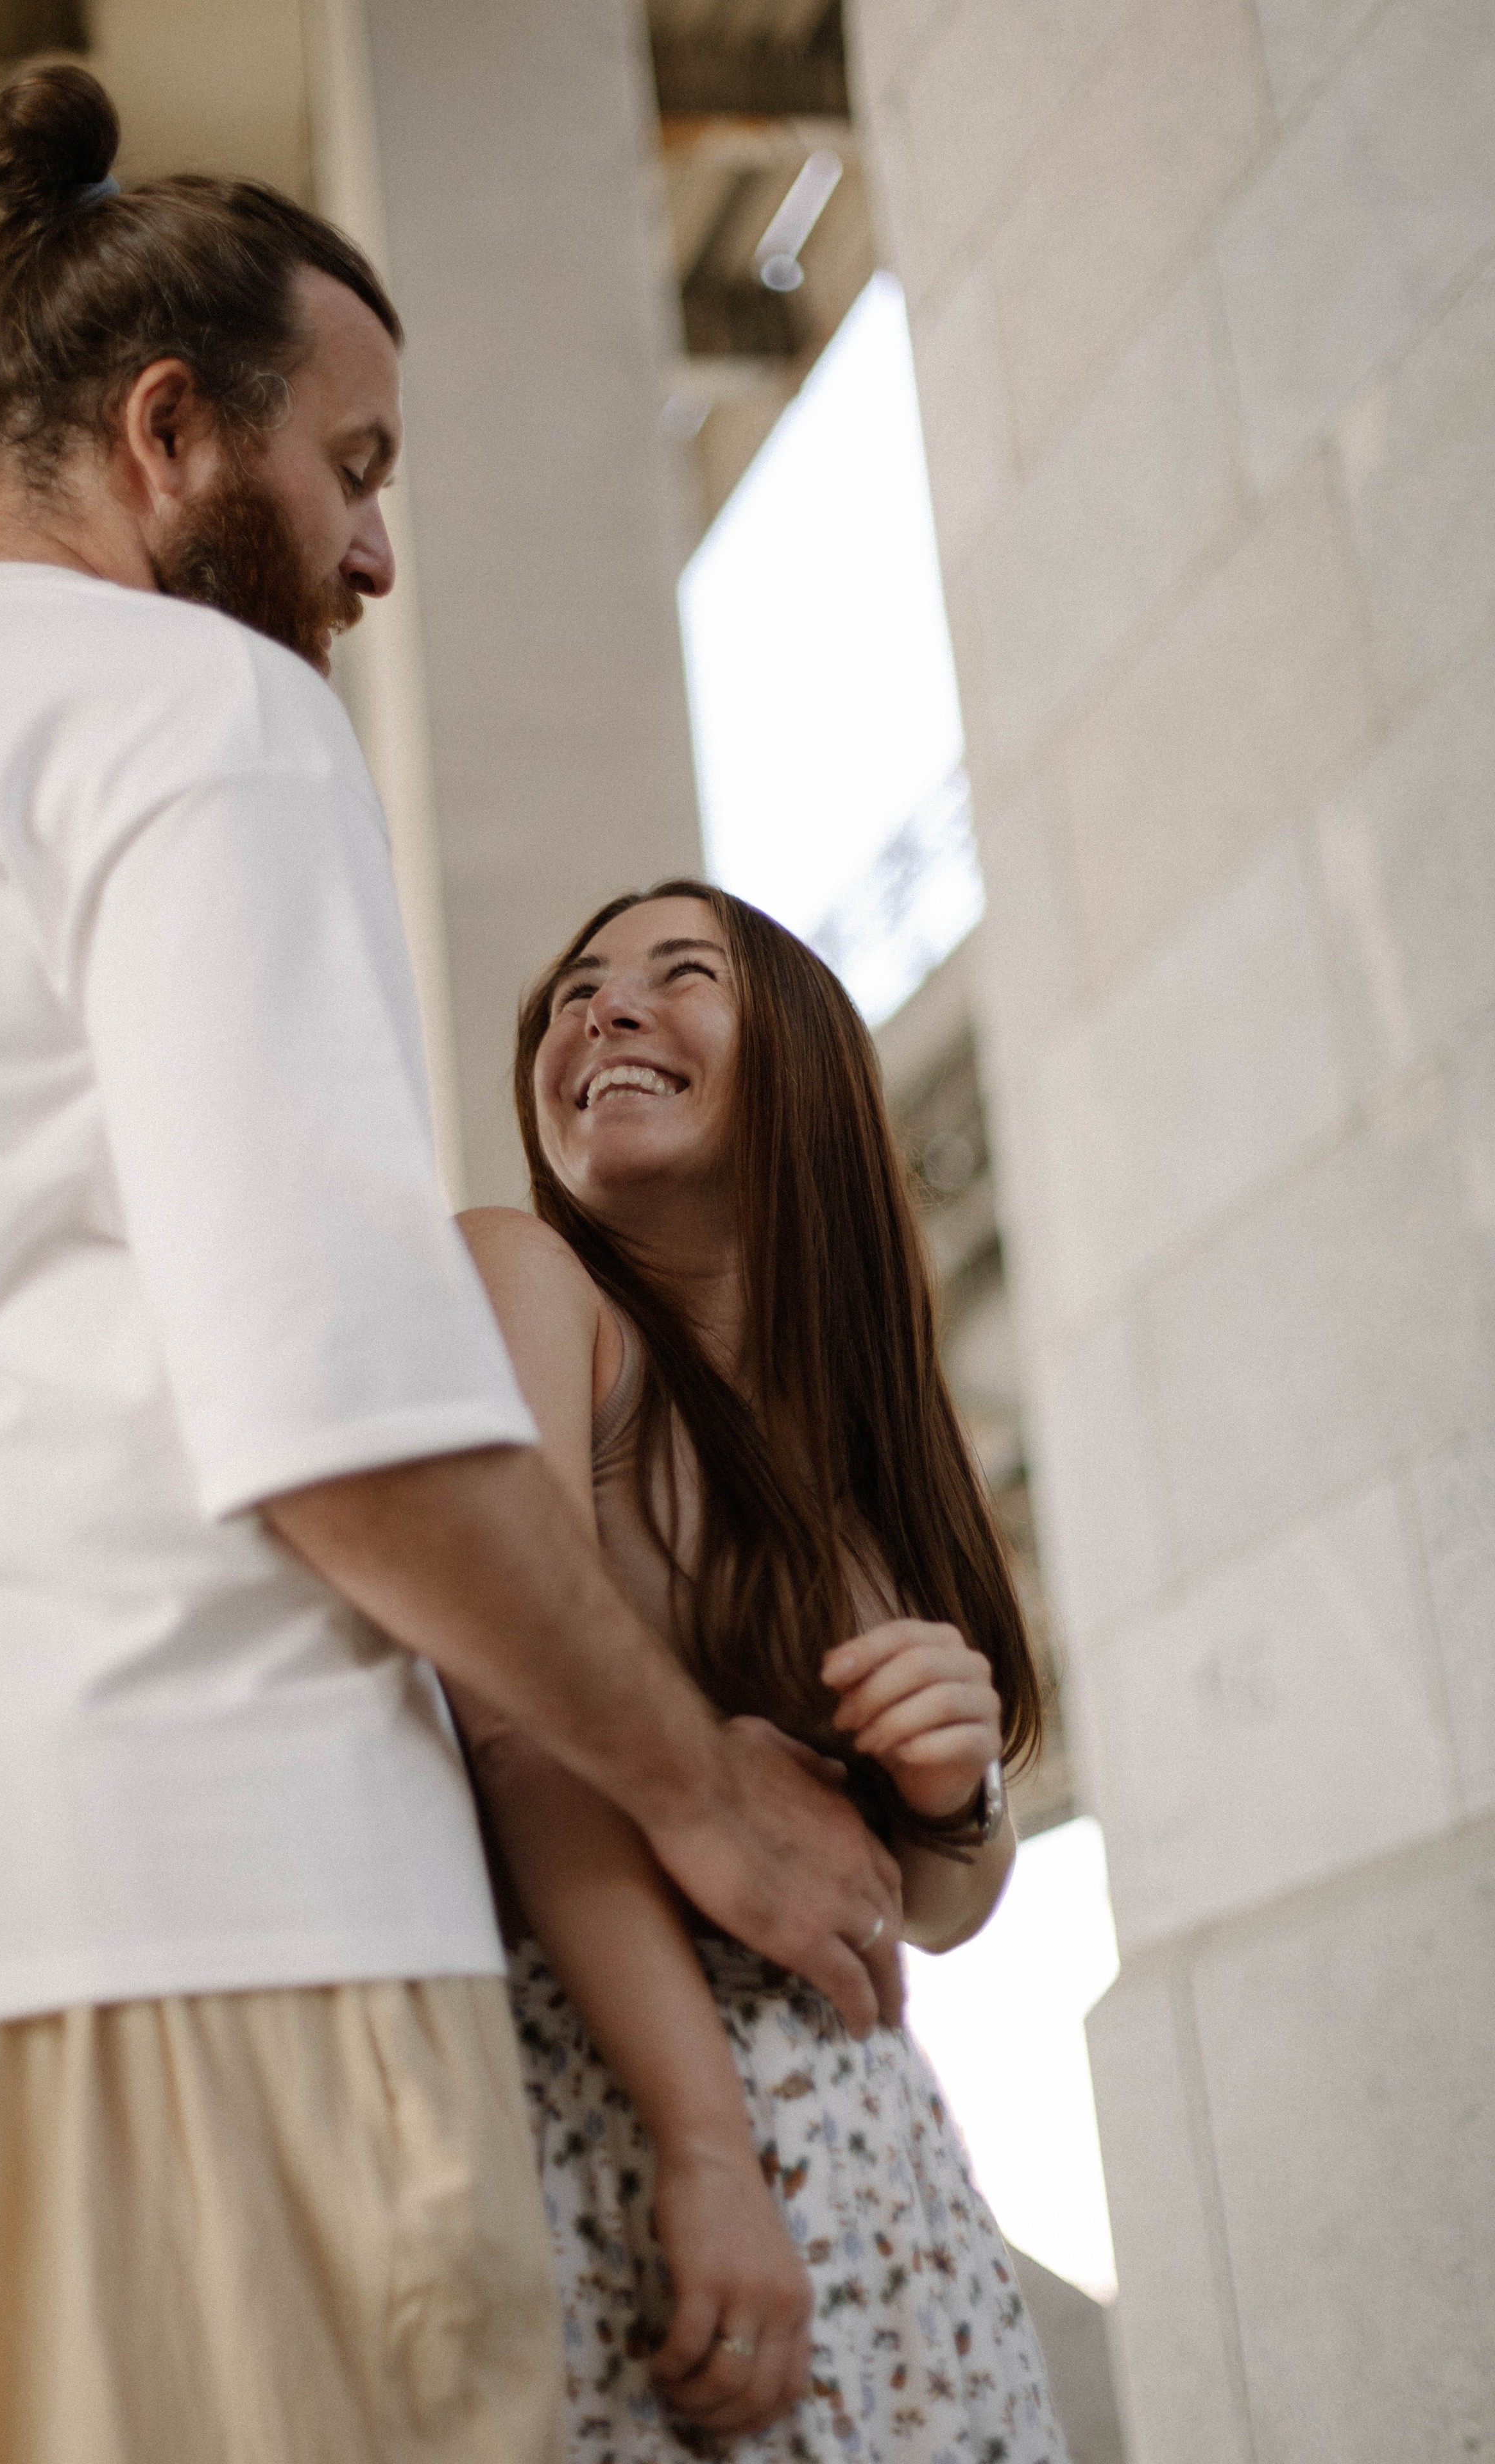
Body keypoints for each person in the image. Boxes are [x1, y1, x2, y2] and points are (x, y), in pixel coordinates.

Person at [0, 70, 907, 2464]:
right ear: (164, 434)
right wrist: (717, 1807)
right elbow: (340, 1416)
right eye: (357, 470)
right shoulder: (188, 704)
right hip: (227, 1946)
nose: (373, 557)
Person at [456, 883, 1070, 2463]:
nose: (602, 1009)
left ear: (796, 1064)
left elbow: (926, 1903)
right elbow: (512, 1720)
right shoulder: (530, 1286)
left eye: (679, 975)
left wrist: (952, 1784)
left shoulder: (870, 1460)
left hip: (885, 2185)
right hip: (622, 2125)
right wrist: (706, 2149)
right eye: (574, 991)